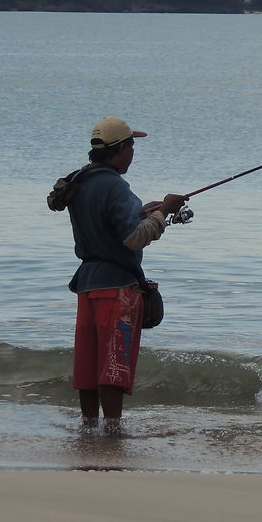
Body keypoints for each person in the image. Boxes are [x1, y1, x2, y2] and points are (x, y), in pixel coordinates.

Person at [65, 116, 187, 434]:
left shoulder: (81, 180)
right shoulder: (116, 185)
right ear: (120, 149)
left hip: (87, 284)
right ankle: (113, 431)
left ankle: (89, 428)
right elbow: (133, 238)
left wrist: (144, 210)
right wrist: (164, 211)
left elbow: (107, 224)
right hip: (117, 287)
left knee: (89, 364)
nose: (133, 152)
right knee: (114, 363)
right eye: (132, 145)